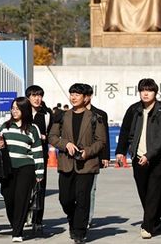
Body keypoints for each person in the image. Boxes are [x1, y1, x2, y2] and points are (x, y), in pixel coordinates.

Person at [115, 78, 161, 239]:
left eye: (149, 90)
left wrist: (149, 155)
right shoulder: (134, 109)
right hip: (138, 156)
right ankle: (155, 220)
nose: (145, 93)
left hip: (159, 158)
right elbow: (125, 131)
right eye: (143, 90)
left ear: (155, 92)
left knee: (154, 191)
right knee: (143, 190)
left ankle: (147, 226)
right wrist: (121, 151)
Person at [48, 83, 106, 244]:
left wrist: (88, 151)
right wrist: (65, 144)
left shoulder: (95, 117)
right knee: (65, 199)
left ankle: (80, 232)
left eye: (77, 94)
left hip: (87, 165)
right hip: (66, 163)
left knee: (82, 199)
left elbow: (101, 141)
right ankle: (72, 219)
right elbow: (52, 137)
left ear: (86, 98)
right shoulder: (62, 116)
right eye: (71, 94)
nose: (73, 97)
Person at [0, 97, 44, 242]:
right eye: (13, 108)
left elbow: (37, 151)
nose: (14, 111)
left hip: (26, 167)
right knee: (8, 198)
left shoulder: (32, 129)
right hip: (8, 168)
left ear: (25, 110)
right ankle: (16, 223)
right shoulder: (5, 126)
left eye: (18, 108)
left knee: (22, 198)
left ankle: (17, 232)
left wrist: (39, 173)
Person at [25, 85, 53, 232]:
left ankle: (38, 220)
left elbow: (53, 134)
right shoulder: (22, 112)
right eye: (34, 95)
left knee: (40, 188)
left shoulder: (46, 114)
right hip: (24, 156)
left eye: (39, 95)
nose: (37, 98)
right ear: (28, 97)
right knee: (24, 188)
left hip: (41, 156)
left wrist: (45, 137)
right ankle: (24, 216)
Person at [83, 83, 110, 228]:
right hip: (75, 156)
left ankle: (87, 218)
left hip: (94, 156)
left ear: (89, 96)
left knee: (91, 189)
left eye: (85, 95)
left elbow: (104, 137)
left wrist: (105, 156)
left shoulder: (100, 114)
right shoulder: (70, 114)